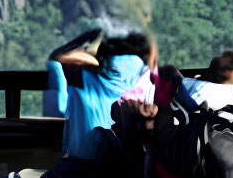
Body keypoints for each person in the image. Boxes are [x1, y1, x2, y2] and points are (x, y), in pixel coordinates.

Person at [55, 30, 157, 162]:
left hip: (84, 159)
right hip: (125, 166)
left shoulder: (83, 76)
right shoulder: (145, 80)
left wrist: (93, 54)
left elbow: (60, 54)